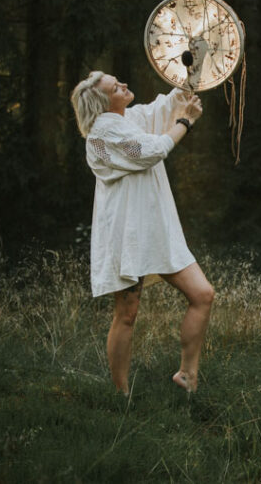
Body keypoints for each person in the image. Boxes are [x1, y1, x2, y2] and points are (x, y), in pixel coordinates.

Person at [70, 70, 214, 396]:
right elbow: (150, 151)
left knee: (202, 295)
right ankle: (121, 395)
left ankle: (187, 376)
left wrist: (194, 69)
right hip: (129, 234)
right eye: (115, 86)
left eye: (117, 80)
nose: (123, 84)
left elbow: (165, 106)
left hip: (157, 229)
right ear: (104, 103)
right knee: (127, 315)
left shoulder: (128, 118)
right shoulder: (101, 135)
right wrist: (186, 123)